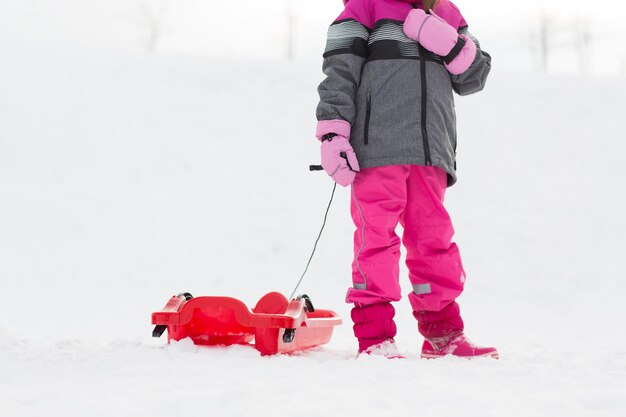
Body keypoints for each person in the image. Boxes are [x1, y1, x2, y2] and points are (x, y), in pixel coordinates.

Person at [315, 0, 498, 358]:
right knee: (376, 240)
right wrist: (333, 134)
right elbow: (339, 73)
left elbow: (475, 76)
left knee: (434, 241)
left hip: (431, 152)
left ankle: (443, 334)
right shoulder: (365, 8)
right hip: (377, 149)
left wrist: (446, 41)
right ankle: (375, 337)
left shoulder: (447, 13)